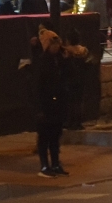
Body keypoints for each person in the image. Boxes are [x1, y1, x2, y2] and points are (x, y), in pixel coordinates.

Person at [31, 28, 68, 177]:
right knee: (45, 137)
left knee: (55, 136)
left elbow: (68, 76)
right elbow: (38, 87)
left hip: (57, 104)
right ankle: (45, 166)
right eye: (53, 44)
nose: (56, 47)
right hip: (46, 105)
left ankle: (55, 163)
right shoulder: (42, 62)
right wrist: (40, 108)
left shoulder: (59, 60)